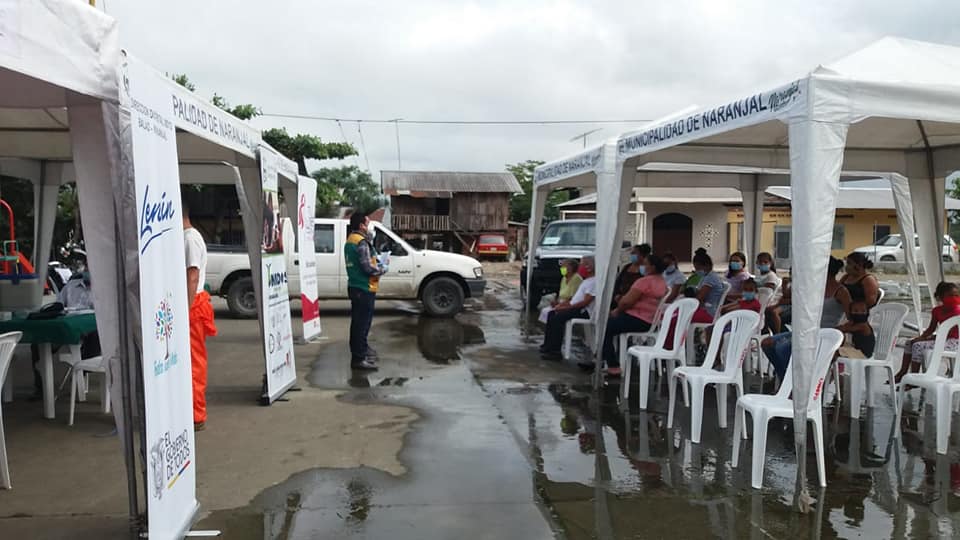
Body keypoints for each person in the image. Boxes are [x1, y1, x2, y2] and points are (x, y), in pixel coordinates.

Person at [761, 257, 851, 382]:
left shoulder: (841, 291)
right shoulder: (814, 287)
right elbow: (792, 300)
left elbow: (851, 317)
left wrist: (840, 332)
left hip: (824, 335)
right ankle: (786, 379)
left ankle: (794, 382)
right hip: (806, 332)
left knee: (782, 349)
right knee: (767, 343)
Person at [598, 254, 668, 376]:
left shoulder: (644, 282)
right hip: (650, 321)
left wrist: (617, 310)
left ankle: (612, 365)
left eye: (645, 264)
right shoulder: (662, 282)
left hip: (637, 318)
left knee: (604, 327)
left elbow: (626, 302)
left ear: (652, 267)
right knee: (611, 325)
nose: (642, 267)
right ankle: (605, 357)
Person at [183, 194, 217, 431]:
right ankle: (190, 411)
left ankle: (196, 415)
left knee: (194, 363)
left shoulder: (190, 239)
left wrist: (185, 310)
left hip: (193, 306)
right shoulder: (188, 237)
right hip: (191, 305)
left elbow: (192, 276)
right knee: (189, 362)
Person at [896, 281, 960, 381]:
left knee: (918, 346)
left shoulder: (958, 312)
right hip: (942, 339)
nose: (954, 298)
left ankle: (914, 378)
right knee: (909, 342)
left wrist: (930, 338)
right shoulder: (937, 311)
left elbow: (949, 333)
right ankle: (902, 372)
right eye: (950, 295)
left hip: (955, 342)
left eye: (956, 295)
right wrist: (921, 337)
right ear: (940, 297)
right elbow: (931, 329)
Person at [345, 212, 384, 371]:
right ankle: (359, 358)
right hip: (363, 287)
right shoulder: (361, 242)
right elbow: (367, 267)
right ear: (361, 226)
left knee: (358, 323)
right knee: (361, 324)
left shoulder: (351, 239)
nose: (369, 227)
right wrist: (382, 269)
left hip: (356, 286)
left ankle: (361, 351)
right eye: (367, 224)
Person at [540, 256, 597, 359]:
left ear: (589, 267)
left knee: (558, 318)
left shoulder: (593, 282)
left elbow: (585, 302)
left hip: (583, 310)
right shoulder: (586, 281)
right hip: (574, 306)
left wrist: (567, 307)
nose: (580, 267)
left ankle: (555, 352)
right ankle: (548, 346)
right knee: (552, 314)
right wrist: (562, 305)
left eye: (582, 265)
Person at [539, 259, 583, 324]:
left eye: (563, 266)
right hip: (561, 303)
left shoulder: (576, 278)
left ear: (570, 268)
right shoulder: (564, 278)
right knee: (545, 311)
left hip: (571, 305)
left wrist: (560, 305)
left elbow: (573, 297)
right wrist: (556, 302)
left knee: (552, 314)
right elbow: (560, 295)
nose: (561, 268)